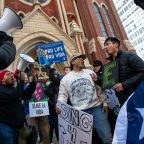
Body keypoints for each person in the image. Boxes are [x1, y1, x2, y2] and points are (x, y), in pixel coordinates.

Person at [56, 53, 112, 144]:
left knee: (107, 137)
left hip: (96, 109)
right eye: (79, 58)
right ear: (73, 62)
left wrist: (104, 102)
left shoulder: (90, 72)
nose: (82, 60)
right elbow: (63, 95)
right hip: (79, 113)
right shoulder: (65, 79)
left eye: (82, 58)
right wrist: (59, 105)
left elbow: (98, 89)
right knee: (84, 141)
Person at [104, 37, 144, 106]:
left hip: (137, 96)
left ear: (116, 44)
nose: (105, 47)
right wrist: (98, 80)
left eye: (107, 44)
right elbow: (108, 83)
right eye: (105, 45)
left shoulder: (129, 55)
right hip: (123, 101)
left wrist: (124, 85)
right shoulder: (109, 65)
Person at [0, 69, 36, 144]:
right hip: (6, 127)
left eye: (11, 74)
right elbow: (14, 94)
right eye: (8, 74)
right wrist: (22, 80)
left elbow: (26, 94)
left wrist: (33, 82)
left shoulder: (12, 89)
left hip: (18, 126)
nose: (11, 75)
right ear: (2, 79)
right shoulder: (1, 89)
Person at [45, 68, 61, 144]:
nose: (56, 75)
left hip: (61, 109)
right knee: (51, 127)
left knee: (59, 128)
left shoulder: (61, 84)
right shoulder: (48, 87)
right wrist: (54, 105)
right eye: (54, 74)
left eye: (56, 73)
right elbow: (47, 98)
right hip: (52, 111)